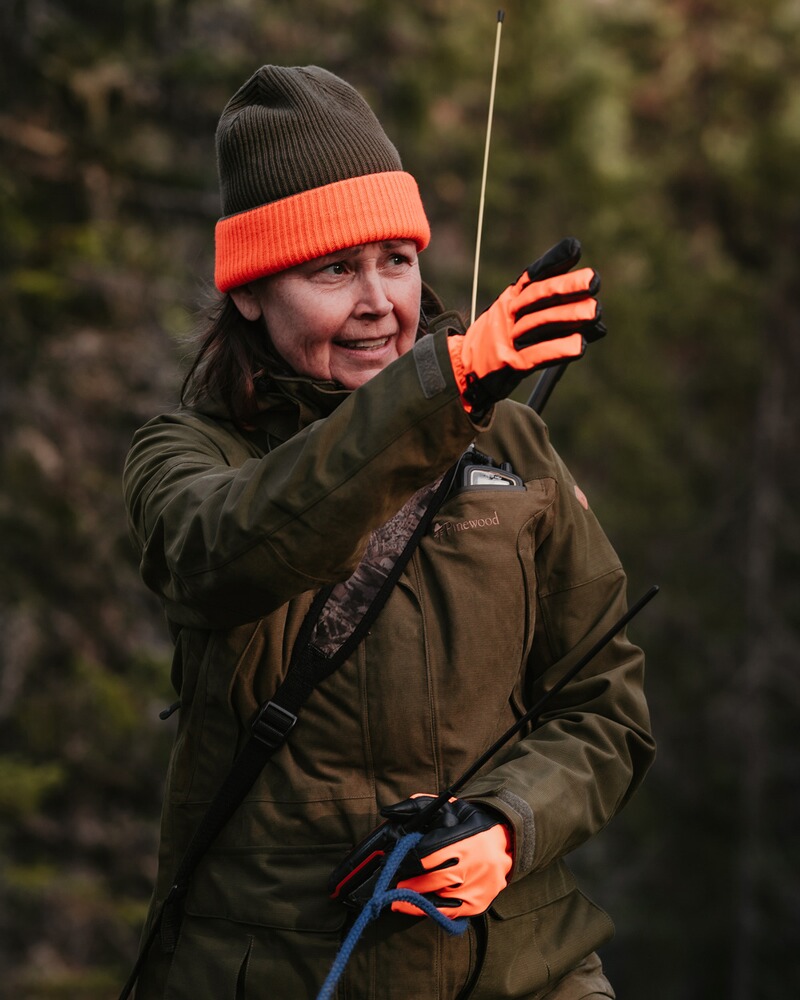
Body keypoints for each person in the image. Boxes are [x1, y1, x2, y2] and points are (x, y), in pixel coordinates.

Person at [122, 64, 655, 1000]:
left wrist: (507, 826)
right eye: (334, 269)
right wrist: (442, 390)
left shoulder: (514, 440)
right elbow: (224, 553)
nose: (378, 303)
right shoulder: (186, 455)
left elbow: (604, 703)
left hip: (525, 969)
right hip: (283, 971)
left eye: (396, 261)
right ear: (250, 292)